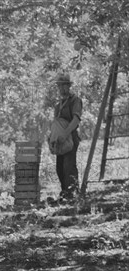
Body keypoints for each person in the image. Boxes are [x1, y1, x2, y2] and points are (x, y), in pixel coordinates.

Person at [53, 72, 83, 200]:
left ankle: (73, 193)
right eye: (59, 86)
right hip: (60, 140)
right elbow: (56, 123)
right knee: (59, 167)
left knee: (69, 166)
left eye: (63, 86)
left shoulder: (75, 100)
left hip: (71, 137)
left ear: (68, 86)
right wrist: (53, 138)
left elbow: (76, 119)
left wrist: (66, 134)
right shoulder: (58, 105)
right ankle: (65, 192)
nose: (61, 89)